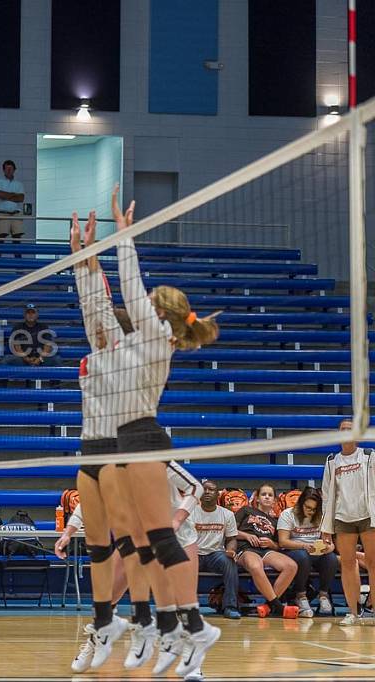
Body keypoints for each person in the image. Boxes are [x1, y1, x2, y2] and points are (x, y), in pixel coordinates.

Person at [110, 185, 221, 676]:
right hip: (132, 439)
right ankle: (180, 631)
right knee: (145, 540)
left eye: (148, 303)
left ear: (159, 313)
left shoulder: (156, 334)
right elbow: (120, 302)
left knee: (158, 538)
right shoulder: (156, 337)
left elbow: (129, 281)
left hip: (144, 439)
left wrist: (123, 235)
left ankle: (191, 628)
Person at [68, 212, 157, 673]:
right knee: (99, 548)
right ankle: (107, 623)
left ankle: (143, 621)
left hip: (125, 453)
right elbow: (92, 306)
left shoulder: (133, 357)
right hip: (95, 452)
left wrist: (103, 252)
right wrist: (80, 257)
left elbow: (102, 306)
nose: (96, 331)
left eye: (105, 329)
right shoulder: (99, 354)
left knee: (130, 544)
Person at [320, 419, 375, 626]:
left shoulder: (369, 456)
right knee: (347, 564)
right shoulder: (332, 460)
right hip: (343, 518)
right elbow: (327, 495)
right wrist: (326, 527)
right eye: (342, 429)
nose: (345, 432)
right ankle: (353, 611)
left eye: (349, 429)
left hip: (369, 515)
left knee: (373, 563)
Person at [234, 484, 299, 618]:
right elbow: (230, 531)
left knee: (291, 566)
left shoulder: (275, 521)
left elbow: (279, 545)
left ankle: (268, 606)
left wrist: (271, 543)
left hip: (266, 551)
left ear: (275, 501)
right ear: (257, 498)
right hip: (246, 549)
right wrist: (246, 535)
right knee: (255, 566)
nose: (267, 497)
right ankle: (279, 607)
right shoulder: (246, 510)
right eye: (264, 494)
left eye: (270, 495)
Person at [279, 486, 338, 618]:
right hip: (294, 550)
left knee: (331, 558)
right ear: (300, 504)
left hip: (315, 551)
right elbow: (282, 542)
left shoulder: (321, 516)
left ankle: (323, 595)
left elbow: (330, 542)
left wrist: (329, 547)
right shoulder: (288, 514)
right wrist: (303, 545)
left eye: (314, 509)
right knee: (303, 556)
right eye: (308, 508)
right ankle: (301, 596)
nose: (311, 511)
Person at [193, 480, 242, 619]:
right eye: (204, 489)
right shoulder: (191, 512)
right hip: (194, 553)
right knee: (180, 562)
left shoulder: (227, 514)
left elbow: (231, 538)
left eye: (211, 489)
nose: (207, 492)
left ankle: (230, 606)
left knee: (229, 561)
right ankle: (184, 608)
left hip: (215, 554)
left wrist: (231, 550)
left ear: (217, 494)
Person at [0, 160, 25, 253]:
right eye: (6, 169)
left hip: (16, 213)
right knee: (0, 237)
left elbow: (21, 198)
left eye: (10, 169)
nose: (8, 171)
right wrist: (14, 195)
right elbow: (0, 194)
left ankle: (18, 265)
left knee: (17, 238)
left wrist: (7, 196)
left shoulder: (19, 183)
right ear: (3, 170)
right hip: (3, 213)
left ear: (14, 170)